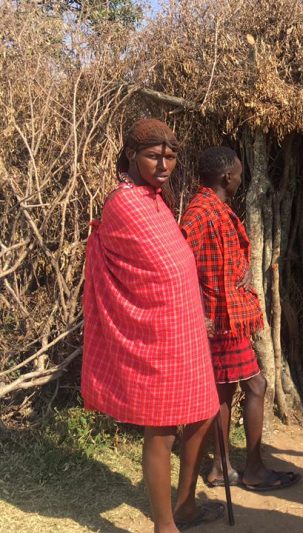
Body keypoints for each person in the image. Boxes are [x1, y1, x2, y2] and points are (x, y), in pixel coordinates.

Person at [82, 118, 223, 532]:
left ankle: (186, 505)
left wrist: (199, 310)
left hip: (186, 330)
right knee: (161, 430)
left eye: (171, 155)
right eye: (153, 155)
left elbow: (175, 264)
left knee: (202, 414)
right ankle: (165, 526)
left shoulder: (155, 198)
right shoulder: (123, 203)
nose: (164, 164)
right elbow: (151, 274)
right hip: (156, 334)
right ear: (131, 155)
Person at [180, 146, 301, 492]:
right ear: (226, 177)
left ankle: (221, 466)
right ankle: (254, 469)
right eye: (238, 173)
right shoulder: (201, 212)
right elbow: (180, 261)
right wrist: (197, 311)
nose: (240, 177)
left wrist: (241, 268)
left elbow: (216, 257)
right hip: (220, 320)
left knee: (224, 391)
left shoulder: (213, 208)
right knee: (256, 385)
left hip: (226, 317)